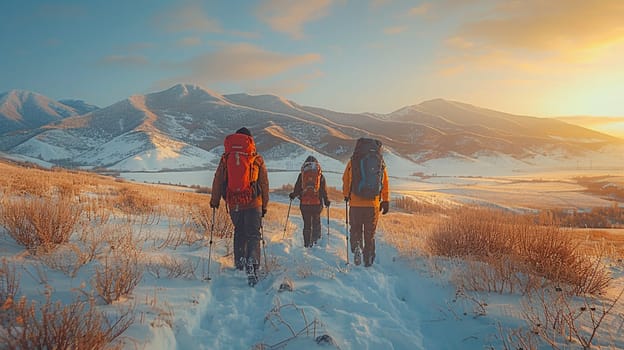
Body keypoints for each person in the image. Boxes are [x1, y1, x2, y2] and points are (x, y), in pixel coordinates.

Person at [210, 127, 269, 285]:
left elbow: (217, 180)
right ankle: (253, 263)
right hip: (253, 202)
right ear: (250, 140)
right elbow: (264, 183)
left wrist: (214, 201)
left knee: (239, 232)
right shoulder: (256, 158)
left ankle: (240, 262)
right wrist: (264, 205)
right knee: (254, 234)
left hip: (234, 202)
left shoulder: (226, 158)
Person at [342, 138, 390, 267]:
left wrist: (346, 195)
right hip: (372, 204)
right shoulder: (379, 161)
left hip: (355, 204)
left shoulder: (353, 160)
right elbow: (384, 182)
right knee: (370, 234)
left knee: (355, 229)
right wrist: (385, 200)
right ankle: (368, 259)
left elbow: (345, 179)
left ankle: (356, 247)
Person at [289, 156, 331, 247]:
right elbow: (323, 190)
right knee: (316, 222)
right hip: (317, 204)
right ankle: (316, 242)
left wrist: (293, 195)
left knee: (307, 224)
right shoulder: (320, 176)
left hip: (305, 204)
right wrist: (326, 200)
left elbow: (297, 189)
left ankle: (307, 244)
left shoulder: (302, 175)